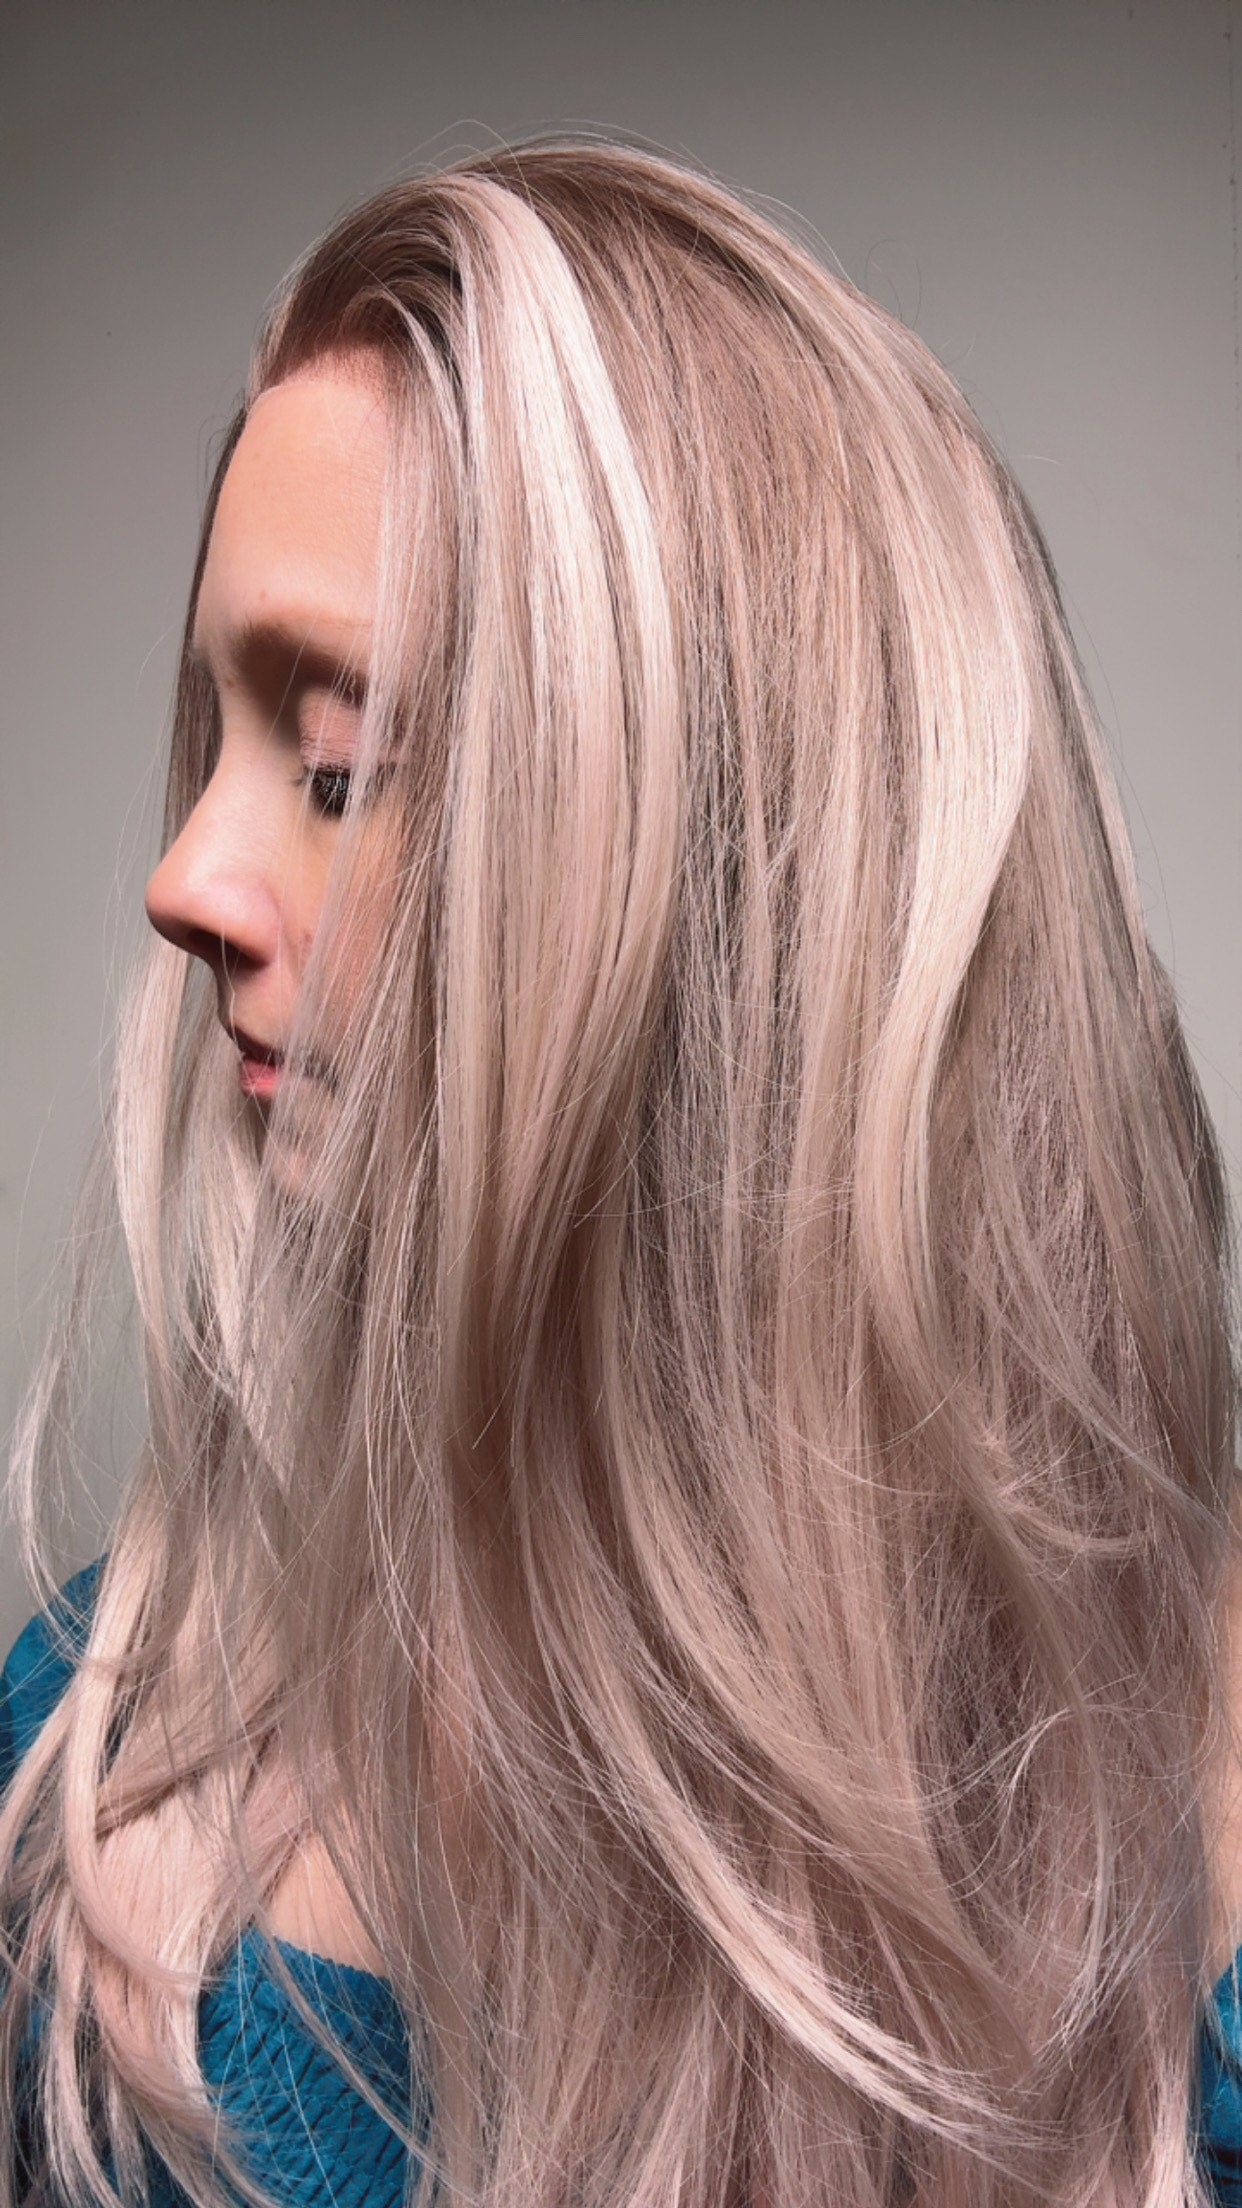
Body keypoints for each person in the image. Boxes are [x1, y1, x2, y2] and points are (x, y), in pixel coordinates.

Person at [0, 138, 1237, 2208]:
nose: (188, 876)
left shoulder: (1201, 1834)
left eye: (337, 767)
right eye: (215, 740)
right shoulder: (89, 1781)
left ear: (737, 872)